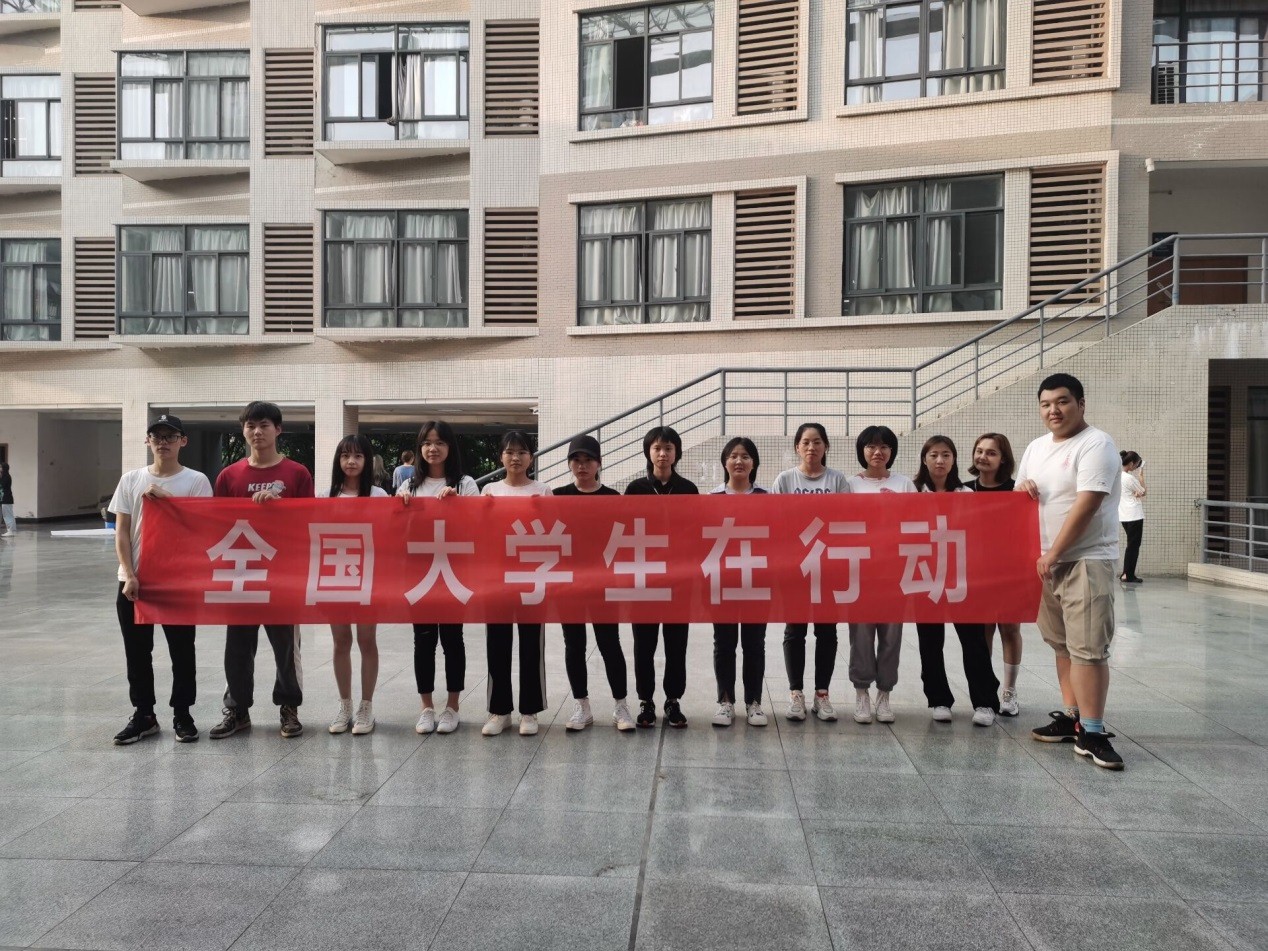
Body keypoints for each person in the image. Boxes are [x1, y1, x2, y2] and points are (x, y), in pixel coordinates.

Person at [1017, 373, 1124, 769]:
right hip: (1045, 563)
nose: (1054, 410)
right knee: (1062, 644)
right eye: (1046, 404)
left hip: (1085, 560)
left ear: (1080, 404)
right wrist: (1022, 489)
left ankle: (1092, 731)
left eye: (1062, 402)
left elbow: (1087, 504)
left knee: (1088, 648)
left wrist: (1056, 552)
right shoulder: (1036, 447)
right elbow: (1020, 496)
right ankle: (1073, 717)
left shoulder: (1096, 444)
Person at [209, 401, 314, 740]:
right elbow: (217, 524)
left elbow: (310, 521)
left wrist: (281, 510)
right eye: (250, 425)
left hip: (282, 575)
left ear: (278, 430)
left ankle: (289, 707)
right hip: (241, 574)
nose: (257, 432)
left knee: (286, 648)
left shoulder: (297, 474)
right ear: (243, 431)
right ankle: (237, 709)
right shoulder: (229, 476)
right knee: (237, 646)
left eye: (264, 425)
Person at [109, 414, 212, 744]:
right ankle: (144, 714)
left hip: (177, 581)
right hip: (135, 580)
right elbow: (122, 532)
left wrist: (170, 502)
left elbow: (203, 528)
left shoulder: (196, 481)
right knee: (137, 652)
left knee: (182, 650)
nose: (163, 442)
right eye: (157, 436)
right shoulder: (131, 480)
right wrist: (129, 574)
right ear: (147, 441)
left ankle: (183, 713)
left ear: (183, 441)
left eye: (170, 436)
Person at [913, 435, 1001, 727]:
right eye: (934, 455)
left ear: (953, 460)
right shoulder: (912, 493)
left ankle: (985, 701)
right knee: (929, 641)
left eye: (946, 455)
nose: (940, 461)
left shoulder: (966, 493)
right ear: (924, 459)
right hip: (925, 576)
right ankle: (939, 699)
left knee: (973, 640)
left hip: (961, 577)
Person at [399, 421, 479, 735]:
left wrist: (459, 505)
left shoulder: (465, 483)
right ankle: (426, 707)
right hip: (420, 573)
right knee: (423, 640)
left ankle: (453, 707)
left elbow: (477, 526)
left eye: (439, 442)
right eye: (427, 443)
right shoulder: (409, 486)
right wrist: (401, 510)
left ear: (450, 447)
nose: (433, 449)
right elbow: (398, 531)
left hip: (453, 572)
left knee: (452, 639)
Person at [771, 423, 850, 722]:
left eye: (817, 442)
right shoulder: (785, 480)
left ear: (826, 446)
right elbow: (776, 522)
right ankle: (796, 694)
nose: (811, 447)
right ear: (797, 447)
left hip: (828, 567)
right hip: (796, 568)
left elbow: (845, 520)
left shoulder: (837, 480)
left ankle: (822, 695)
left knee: (826, 631)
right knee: (795, 630)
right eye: (805, 442)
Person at [554, 434, 634, 732]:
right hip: (569, 583)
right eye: (576, 460)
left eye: (588, 460)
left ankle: (621, 705)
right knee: (574, 644)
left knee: (609, 642)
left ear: (599, 463)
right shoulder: (557, 496)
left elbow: (623, 538)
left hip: (603, 582)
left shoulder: (613, 498)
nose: (582, 465)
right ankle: (582, 705)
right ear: (569, 464)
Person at [625, 425, 699, 728]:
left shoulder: (689, 489)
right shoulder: (635, 489)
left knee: (676, 645)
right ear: (648, 452)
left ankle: (673, 700)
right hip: (644, 580)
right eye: (657, 448)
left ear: (676, 453)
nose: (662, 454)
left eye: (668, 448)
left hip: (677, 581)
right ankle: (646, 701)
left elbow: (696, 533)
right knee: (643, 645)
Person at [481, 430, 552, 736]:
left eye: (522, 452)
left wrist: (542, 513)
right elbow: (479, 532)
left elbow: (553, 532)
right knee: (497, 643)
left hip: (531, 576)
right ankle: (499, 711)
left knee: (531, 644)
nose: (515, 458)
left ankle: (530, 711)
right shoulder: (489, 491)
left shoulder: (543, 491)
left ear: (531, 458)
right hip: (497, 577)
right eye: (509, 452)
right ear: (501, 457)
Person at [845, 425, 913, 725]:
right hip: (860, 571)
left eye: (884, 446)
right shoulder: (849, 485)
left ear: (891, 451)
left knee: (891, 635)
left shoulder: (904, 484)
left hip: (894, 572)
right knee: (860, 634)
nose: (877, 452)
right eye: (871, 446)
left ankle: (885, 693)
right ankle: (861, 692)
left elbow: (915, 522)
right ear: (862, 450)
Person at [326, 434, 387, 736]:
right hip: (335, 574)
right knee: (340, 642)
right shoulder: (325, 495)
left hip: (368, 575)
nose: (351, 462)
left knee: (366, 640)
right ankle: (345, 704)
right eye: (345, 456)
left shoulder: (378, 495)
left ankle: (366, 706)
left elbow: (389, 535)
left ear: (367, 461)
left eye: (358, 456)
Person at [709, 437, 769, 728]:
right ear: (725, 462)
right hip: (723, 581)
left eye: (745, 456)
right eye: (733, 455)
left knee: (754, 643)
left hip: (757, 580)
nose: (739, 461)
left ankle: (753, 702)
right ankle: (725, 702)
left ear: (754, 463)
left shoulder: (767, 498)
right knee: (724, 643)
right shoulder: (712, 498)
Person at [967, 433, 1023, 717]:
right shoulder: (964, 491)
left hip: (1011, 571)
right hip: (976, 572)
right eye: (979, 451)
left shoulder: (1018, 491)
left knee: (1010, 629)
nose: (983, 457)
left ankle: (1009, 691)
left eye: (991, 452)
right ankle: (986, 689)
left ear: (1003, 459)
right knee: (983, 631)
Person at [1119, 450, 1146, 584]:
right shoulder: (1129, 478)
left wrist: (1136, 493)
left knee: (1131, 544)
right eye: (1136, 464)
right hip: (1134, 515)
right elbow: (1143, 491)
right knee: (1134, 545)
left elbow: (1135, 493)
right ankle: (1128, 575)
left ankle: (1126, 573)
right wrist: (1141, 475)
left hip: (1123, 515)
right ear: (1130, 463)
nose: (1136, 467)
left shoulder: (1117, 476)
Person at [0, 461, 14, 537]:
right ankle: (10, 530)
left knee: (7, 515)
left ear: (4, 468)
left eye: (0, 467)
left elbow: (3, 485)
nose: (0, 468)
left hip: (6, 498)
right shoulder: (4, 476)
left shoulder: (6, 476)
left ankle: (10, 531)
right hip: (5, 498)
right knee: (6, 515)